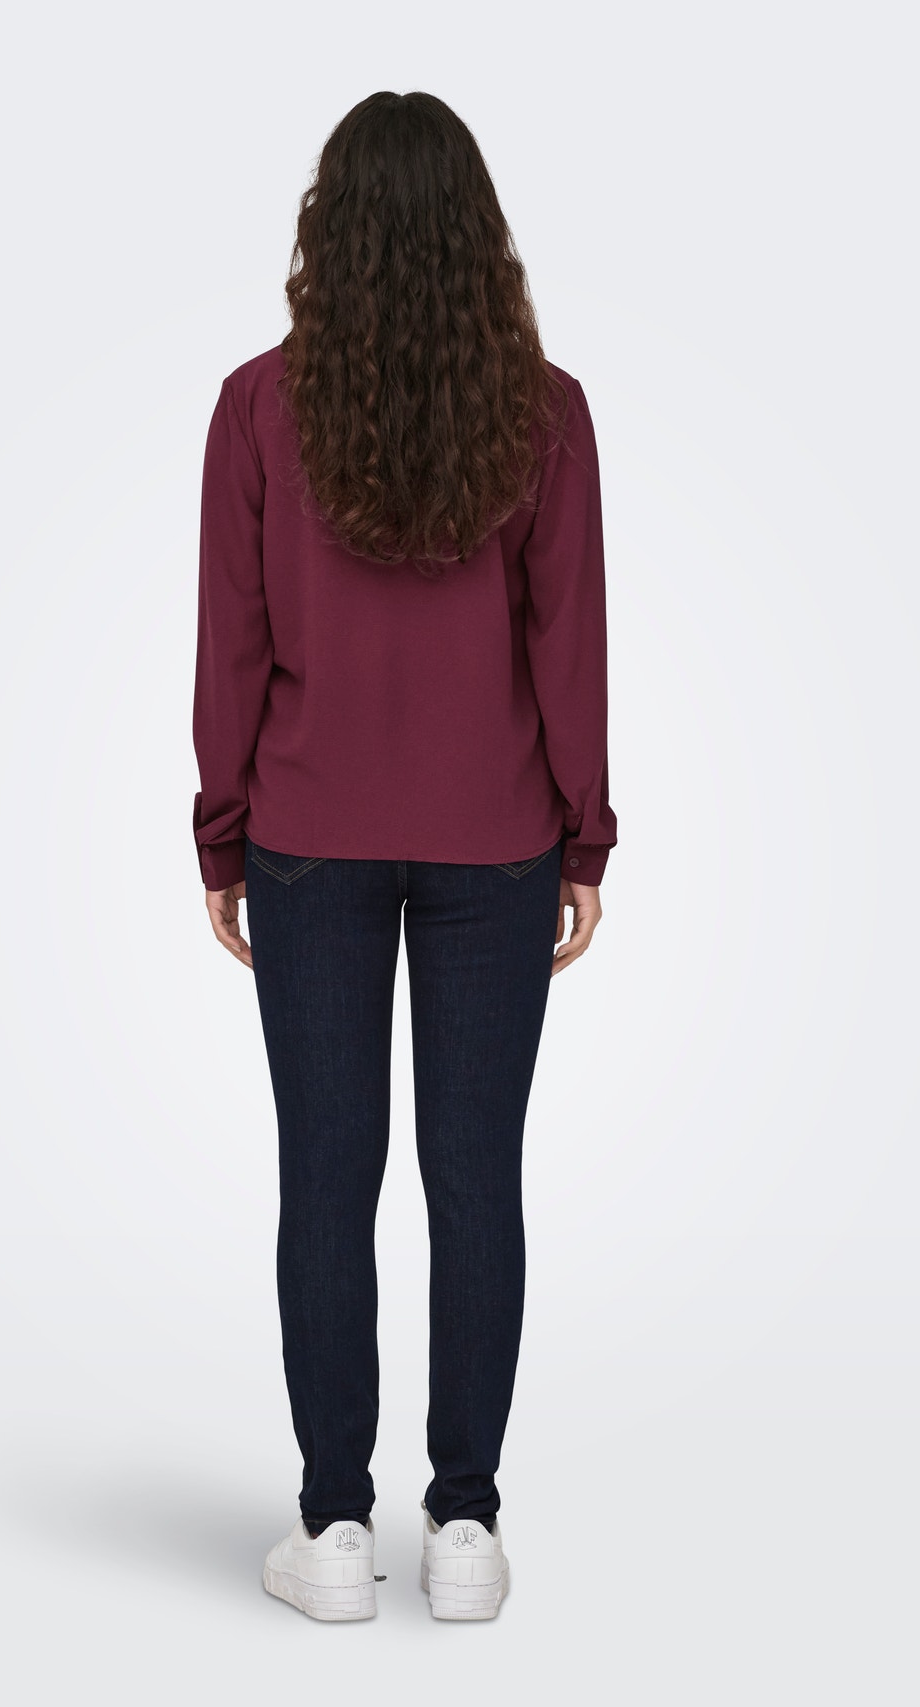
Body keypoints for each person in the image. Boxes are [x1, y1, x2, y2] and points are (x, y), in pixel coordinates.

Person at [191, 90, 617, 1623]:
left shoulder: (259, 407)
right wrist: (585, 831)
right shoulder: (543, 411)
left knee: (327, 1178)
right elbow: (570, 641)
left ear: (332, 232)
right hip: (496, 842)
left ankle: (333, 1531)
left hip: (309, 837)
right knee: (474, 1180)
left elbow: (231, 645)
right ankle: (465, 1529)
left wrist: (221, 833)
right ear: (476, 236)